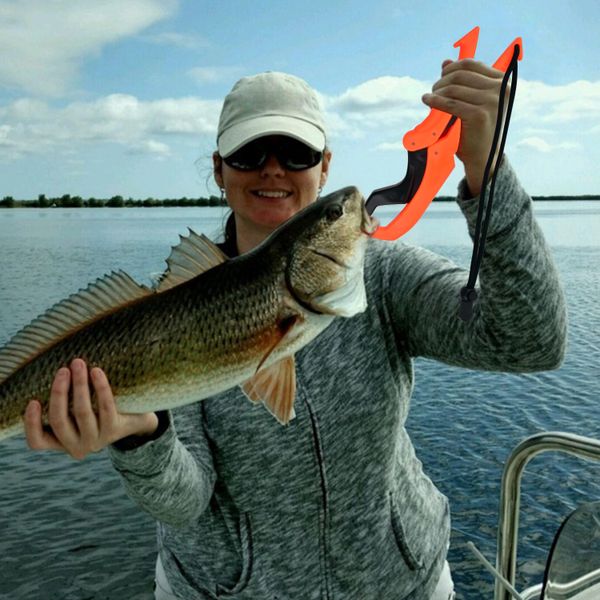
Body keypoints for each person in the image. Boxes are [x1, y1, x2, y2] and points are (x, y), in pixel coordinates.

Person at [24, 66, 567, 600]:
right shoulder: (170, 317)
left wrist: (487, 172)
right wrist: (139, 435)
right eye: (249, 155)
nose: (273, 170)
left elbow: (531, 339)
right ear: (219, 170)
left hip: (400, 586)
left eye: (297, 154)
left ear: (325, 166)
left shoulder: (384, 276)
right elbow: (185, 503)